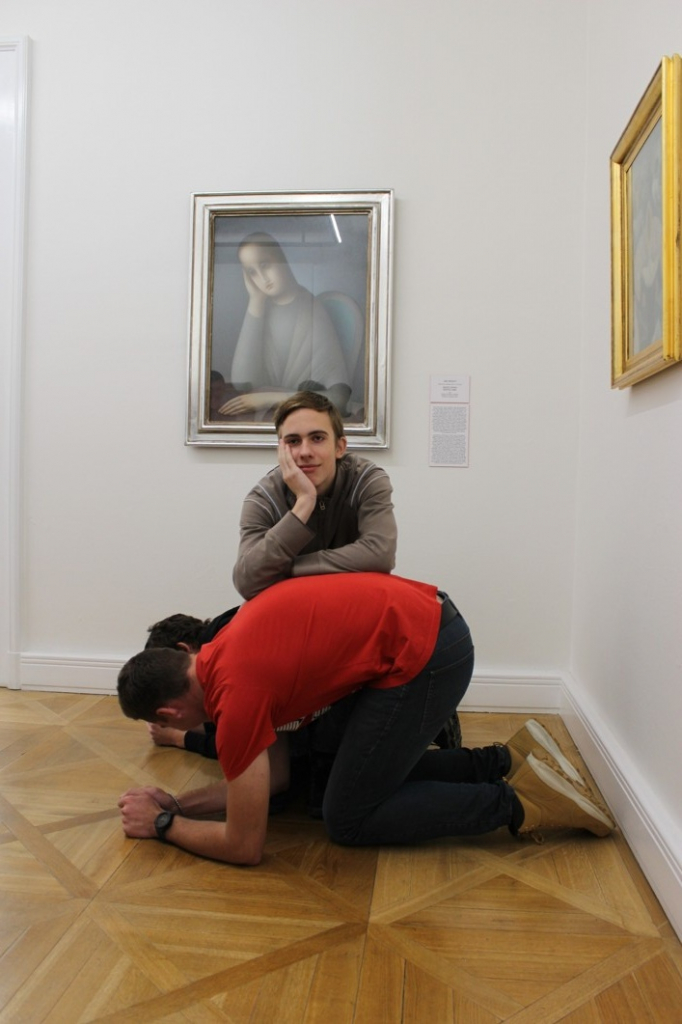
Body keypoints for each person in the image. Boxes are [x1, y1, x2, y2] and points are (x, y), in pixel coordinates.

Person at [117, 572, 614, 865]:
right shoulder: (224, 649)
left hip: (428, 652)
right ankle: (509, 760)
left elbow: (245, 845)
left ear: (169, 712)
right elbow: (275, 778)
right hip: (432, 628)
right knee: (351, 778)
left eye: (176, 725)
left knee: (348, 817)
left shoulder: (236, 699)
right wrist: (178, 804)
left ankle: (522, 802)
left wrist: (162, 824)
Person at [218, 232, 351, 419]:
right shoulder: (262, 310)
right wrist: (256, 300)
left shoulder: (310, 311)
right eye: (252, 272)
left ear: (282, 259)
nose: (263, 278)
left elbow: (338, 399)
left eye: (265, 265)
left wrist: (270, 399)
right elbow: (243, 383)